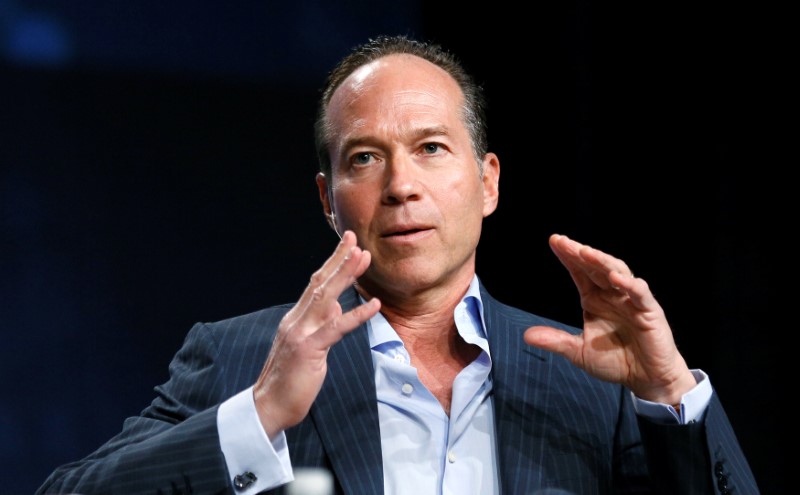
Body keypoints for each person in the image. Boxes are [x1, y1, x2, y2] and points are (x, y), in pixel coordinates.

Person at [36, 34, 758, 495]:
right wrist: (258, 416)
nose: (401, 185)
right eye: (364, 158)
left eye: (432, 148)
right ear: (328, 199)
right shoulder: (242, 358)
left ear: (489, 182)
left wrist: (667, 388)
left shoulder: (594, 383)